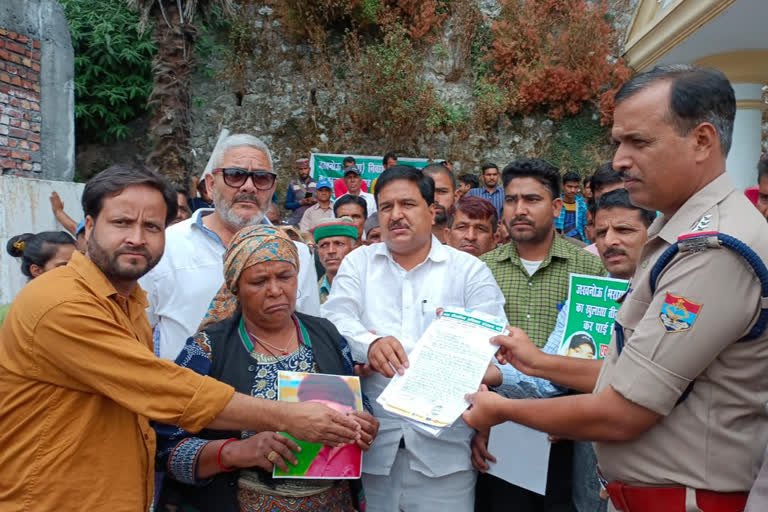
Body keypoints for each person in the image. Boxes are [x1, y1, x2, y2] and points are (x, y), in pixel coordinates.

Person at [464, 65, 768, 512]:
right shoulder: (678, 233)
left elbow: (624, 412)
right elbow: (630, 370)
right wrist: (540, 362)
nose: (621, 160)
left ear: (702, 141)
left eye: (639, 142)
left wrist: (505, 411)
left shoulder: (712, 250)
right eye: (618, 142)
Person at [0, 165, 361, 511]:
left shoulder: (129, 303)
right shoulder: (61, 303)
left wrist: (355, 425)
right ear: (90, 226)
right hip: (53, 498)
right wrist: (283, 420)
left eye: (152, 226)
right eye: (122, 222)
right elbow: (164, 393)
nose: (137, 238)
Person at [155, 225, 377, 512]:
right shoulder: (207, 349)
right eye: (258, 281)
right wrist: (235, 452)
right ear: (235, 288)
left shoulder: (327, 335)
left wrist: (364, 424)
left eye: (285, 277)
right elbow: (166, 447)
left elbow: (359, 401)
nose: (275, 291)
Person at [322, 165, 506, 512]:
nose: (396, 215)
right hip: (372, 450)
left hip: (446, 455)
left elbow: (493, 351)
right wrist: (369, 345)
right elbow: (335, 319)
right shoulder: (357, 264)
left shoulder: (468, 271)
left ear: (431, 209)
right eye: (387, 206)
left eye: (407, 204)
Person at [473, 188, 655, 512]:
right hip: (593, 471)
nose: (610, 241)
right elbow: (547, 378)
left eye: (624, 230)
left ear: (654, 234)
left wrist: (543, 376)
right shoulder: (587, 298)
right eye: (601, 232)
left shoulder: (669, 299)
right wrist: (490, 372)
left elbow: (638, 382)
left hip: (656, 471)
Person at [478, 158, 605, 512]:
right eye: (512, 200)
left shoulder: (590, 268)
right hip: (499, 427)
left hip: (567, 427)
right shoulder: (482, 270)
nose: (519, 209)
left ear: (554, 207)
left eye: (531, 200)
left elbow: (600, 351)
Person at [139, 134, 321, 360]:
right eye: (235, 175)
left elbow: (310, 333)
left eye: (261, 179)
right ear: (211, 184)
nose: (249, 187)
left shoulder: (297, 252)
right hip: (185, 391)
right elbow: (138, 332)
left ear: (272, 187)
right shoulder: (165, 246)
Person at [1, 231, 77, 327]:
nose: (76, 269)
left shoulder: (9, 310)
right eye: (64, 265)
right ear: (37, 271)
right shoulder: (50, 310)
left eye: (78, 262)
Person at [314, 218, 359, 304]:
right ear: (318, 252)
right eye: (324, 245)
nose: (331, 251)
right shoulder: (311, 292)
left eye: (339, 244)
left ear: (354, 250)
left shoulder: (369, 286)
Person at [422, 163, 457, 244]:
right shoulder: (404, 242)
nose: (435, 199)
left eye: (442, 192)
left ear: (456, 196)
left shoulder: (468, 237)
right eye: (428, 191)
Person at [284, 158, 318, 226]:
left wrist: (316, 201)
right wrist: (299, 203)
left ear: (309, 169)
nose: (303, 171)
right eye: (301, 169)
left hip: (314, 220)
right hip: (297, 221)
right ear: (297, 170)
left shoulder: (317, 184)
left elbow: (324, 202)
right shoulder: (293, 185)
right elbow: (287, 205)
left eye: (305, 168)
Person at [555, 171, 588, 242]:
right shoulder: (556, 203)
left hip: (578, 243)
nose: (573, 190)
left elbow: (586, 227)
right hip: (558, 242)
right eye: (569, 187)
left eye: (576, 187)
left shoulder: (582, 205)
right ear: (563, 186)